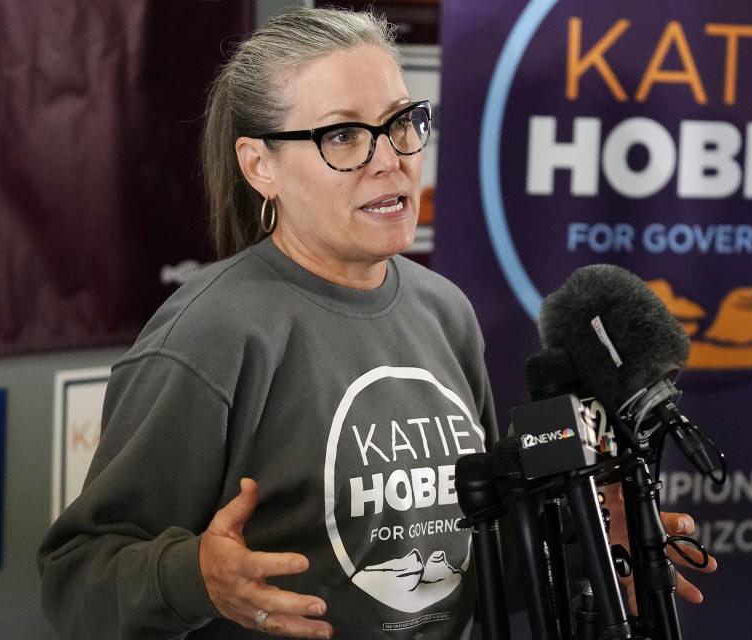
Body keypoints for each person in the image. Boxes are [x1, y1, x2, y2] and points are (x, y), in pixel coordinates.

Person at [38, 8, 713, 639]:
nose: (390, 158)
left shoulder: (444, 310)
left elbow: (456, 567)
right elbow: (76, 582)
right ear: (259, 165)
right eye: (342, 136)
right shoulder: (211, 334)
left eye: (400, 123)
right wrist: (197, 578)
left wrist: (587, 547)